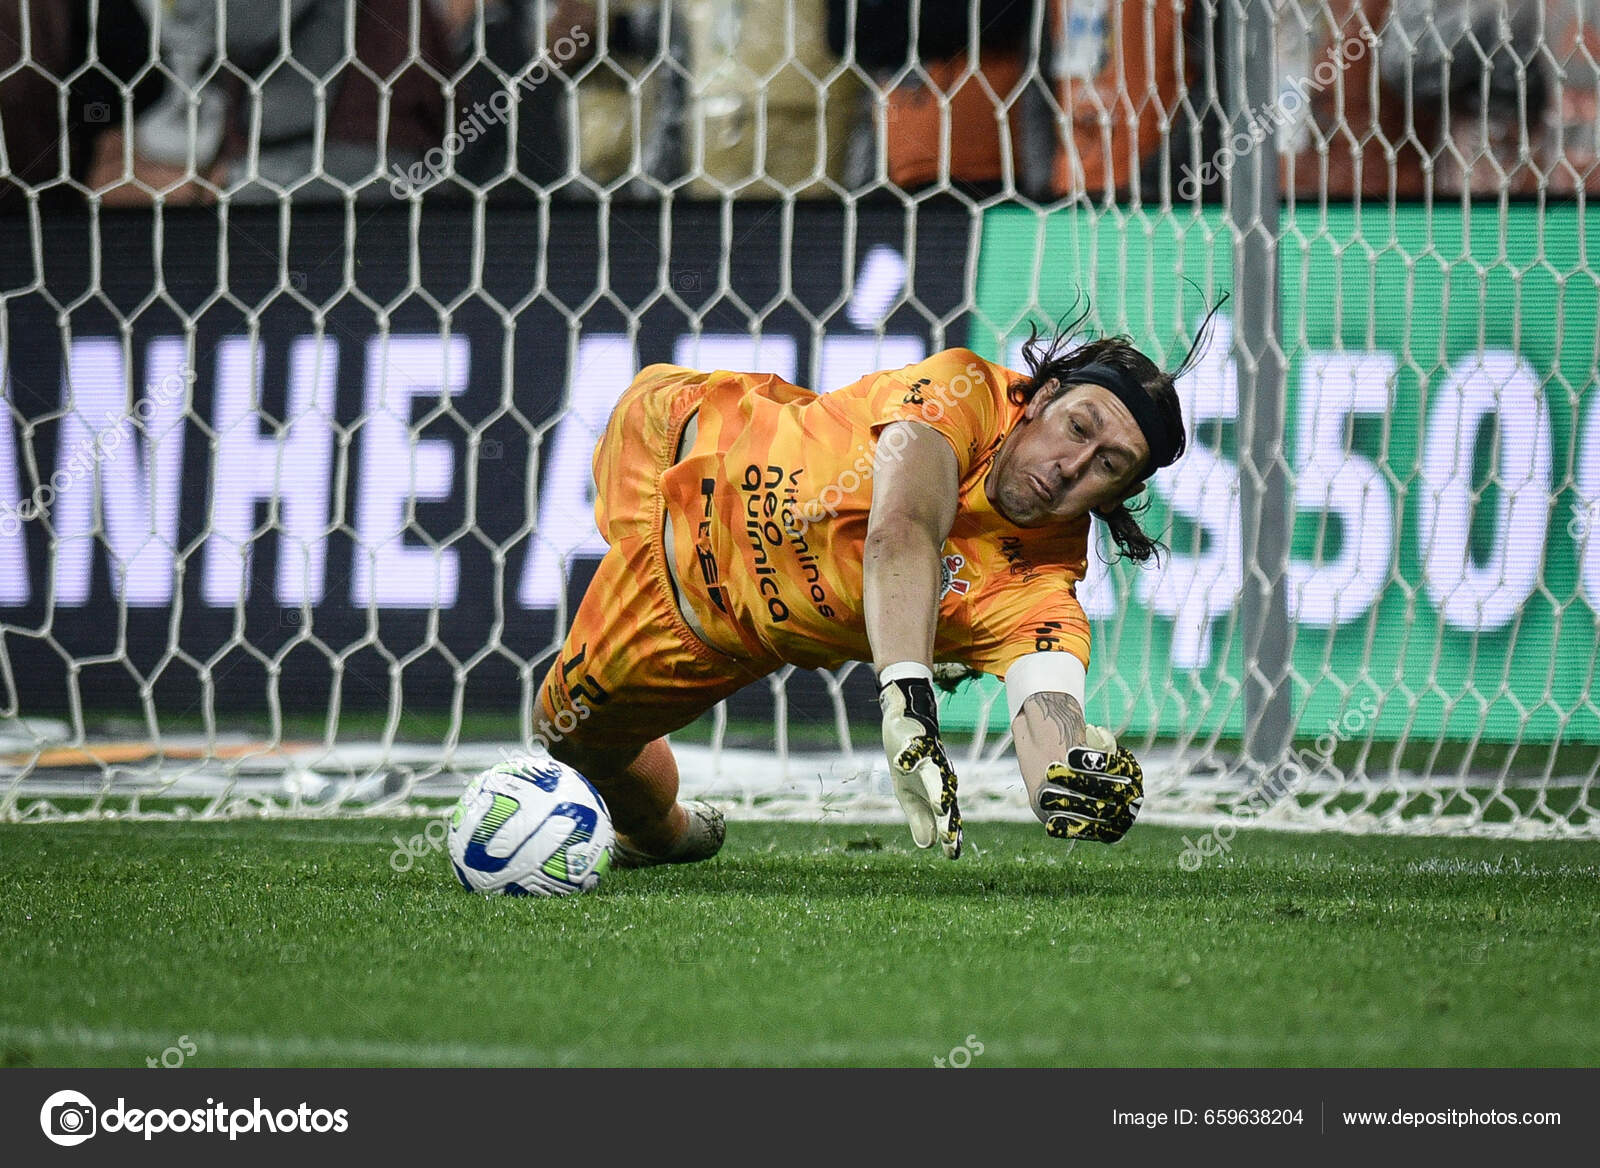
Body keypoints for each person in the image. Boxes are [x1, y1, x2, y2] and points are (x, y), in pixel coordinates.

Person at [534, 315, 1207, 865]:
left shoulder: (1038, 591)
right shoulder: (962, 391)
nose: (1070, 467)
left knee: (567, 734)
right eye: (1079, 427)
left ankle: (664, 837)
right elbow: (904, 527)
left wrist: (1069, 779)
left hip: (692, 616)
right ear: (1041, 397)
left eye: (1107, 466)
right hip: (673, 433)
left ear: (1119, 495)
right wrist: (908, 698)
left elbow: (1047, 710)